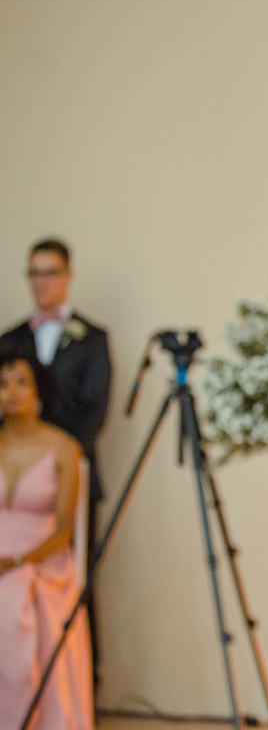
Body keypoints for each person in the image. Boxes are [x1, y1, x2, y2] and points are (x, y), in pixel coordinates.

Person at [0, 238, 112, 683]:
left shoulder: (92, 339)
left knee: (81, 585)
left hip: (61, 476)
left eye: (50, 272)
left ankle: (80, 684)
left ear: (68, 277)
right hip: (10, 476)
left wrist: (54, 457)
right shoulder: (9, 339)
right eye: (35, 273)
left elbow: (94, 410)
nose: (42, 281)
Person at [0, 348, 93, 730]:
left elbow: (64, 530)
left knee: (13, 596)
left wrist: (17, 562)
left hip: (42, 559)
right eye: (3, 384)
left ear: (38, 390)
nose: (12, 392)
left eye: (21, 382)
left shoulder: (63, 448)